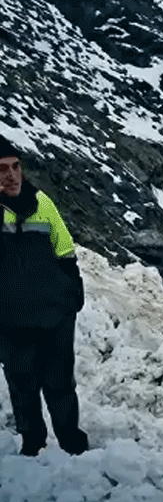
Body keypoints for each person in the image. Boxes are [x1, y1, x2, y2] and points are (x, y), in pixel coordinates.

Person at [0, 137, 88, 457]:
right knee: (22, 385)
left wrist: (72, 295)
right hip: (11, 320)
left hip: (54, 314)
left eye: (15, 167)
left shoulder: (42, 202)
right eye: (2, 170)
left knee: (60, 384)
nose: (11, 175)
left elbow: (65, 251)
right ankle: (32, 445)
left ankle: (71, 443)